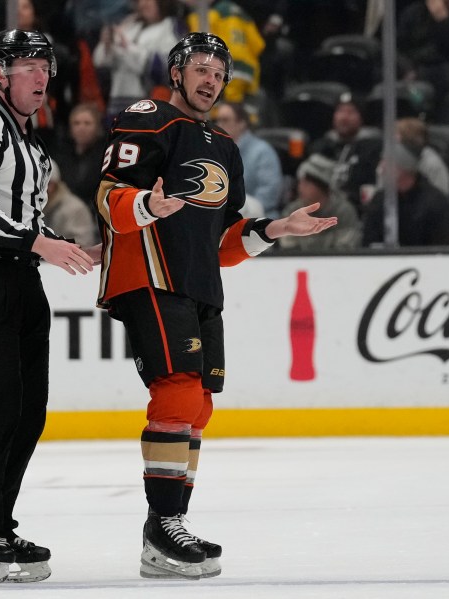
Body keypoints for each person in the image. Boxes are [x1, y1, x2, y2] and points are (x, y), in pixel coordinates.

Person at [94, 32, 337, 580]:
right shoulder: (147, 116)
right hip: (150, 276)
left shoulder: (225, 146)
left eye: (219, 72)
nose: (210, 79)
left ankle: (171, 524)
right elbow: (108, 198)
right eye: (200, 68)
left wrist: (276, 228)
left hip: (200, 283)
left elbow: (225, 245)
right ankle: (161, 528)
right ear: (176, 72)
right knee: (178, 391)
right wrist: (147, 205)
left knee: (198, 404)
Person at [0, 29, 99, 585]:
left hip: (22, 281)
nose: (40, 76)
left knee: (28, 413)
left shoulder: (33, 145)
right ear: (0, 74)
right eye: (27, 65)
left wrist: (70, 247)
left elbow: (26, 218)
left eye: (45, 65)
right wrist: (42, 245)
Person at [92, 0, 182, 120]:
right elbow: (100, 61)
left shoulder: (170, 27)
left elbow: (168, 67)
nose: (143, 4)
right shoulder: (129, 25)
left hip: (151, 105)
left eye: (149, 1)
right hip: (118, 104)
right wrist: (107, 45)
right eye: (140, 1)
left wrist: (128, 49)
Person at [362, 141, 449, 247]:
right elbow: (369, 242)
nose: (381, 169)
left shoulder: (436, 203)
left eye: (387, 163)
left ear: (403, 168)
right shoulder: (380, 199)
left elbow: (442, 246)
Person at [309, 92, 382, 213]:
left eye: (351, 112)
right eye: (340, 111)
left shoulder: (372, 149)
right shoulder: (321, 147)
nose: (344, 117)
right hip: (321, 212)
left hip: (357, 212)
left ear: (361, 117)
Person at [214, 101, 283, 218]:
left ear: (242, 123)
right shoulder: (215, 151)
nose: (219, 125)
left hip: (257, 221)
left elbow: (269, 195)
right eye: (217, 120)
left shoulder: (263, 152)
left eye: (225, 120)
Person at [280, 153, 362, 250]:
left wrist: (307, 242)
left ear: (321, 186)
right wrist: (329, 241)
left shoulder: (343, 211)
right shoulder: (293, 210)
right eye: (300, 183)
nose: (300, 188)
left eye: (306, 184)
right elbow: (287, 243)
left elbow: (346, 244)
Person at [52, 102, 107, 210]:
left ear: (97, 127)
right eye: (76, 123)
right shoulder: (61, 154)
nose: (82, 128)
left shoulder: (105, 155)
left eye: (87, 123)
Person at [44, 159, 100, 246]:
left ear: (56, 183)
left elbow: (83, 246)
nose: (43, 189)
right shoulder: (33, 206)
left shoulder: (75, 209)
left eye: (48, 183)